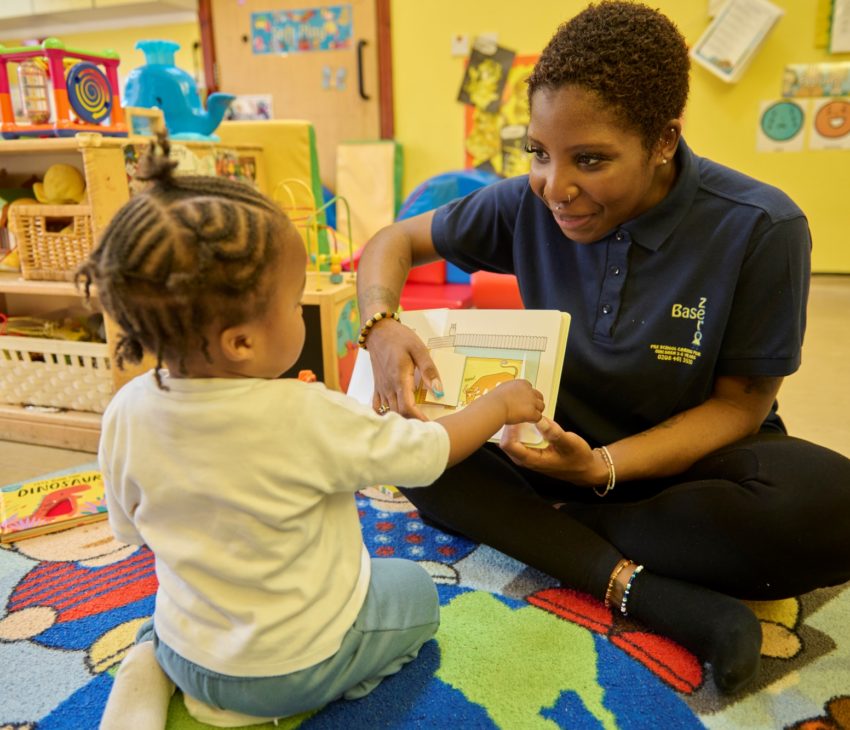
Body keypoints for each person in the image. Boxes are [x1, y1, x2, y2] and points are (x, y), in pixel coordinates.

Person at [355, 0, 850, 695]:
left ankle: (563, 535)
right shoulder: (526, 204)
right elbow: (394, 241)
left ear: (664, 140)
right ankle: (647, 591)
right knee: (412, 444)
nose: (557, 188)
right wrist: (381, 326)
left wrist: (601, 470)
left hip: (689, 470)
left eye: (590, 160)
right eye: (538, 154)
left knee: (830, 503)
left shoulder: (762, 227)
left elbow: (741, 405)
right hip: (552, 451)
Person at [81, 135, 545, 729]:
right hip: (294, 667)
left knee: (169, 613)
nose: (302, 308)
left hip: (193, 649)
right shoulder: (310, 414)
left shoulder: (127, 411)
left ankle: (150, 671)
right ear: (241, 343)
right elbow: (430, 452)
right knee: (416, 595)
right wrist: (500, 404)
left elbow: (132, 531)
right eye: (293, 300)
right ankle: (287, 702)